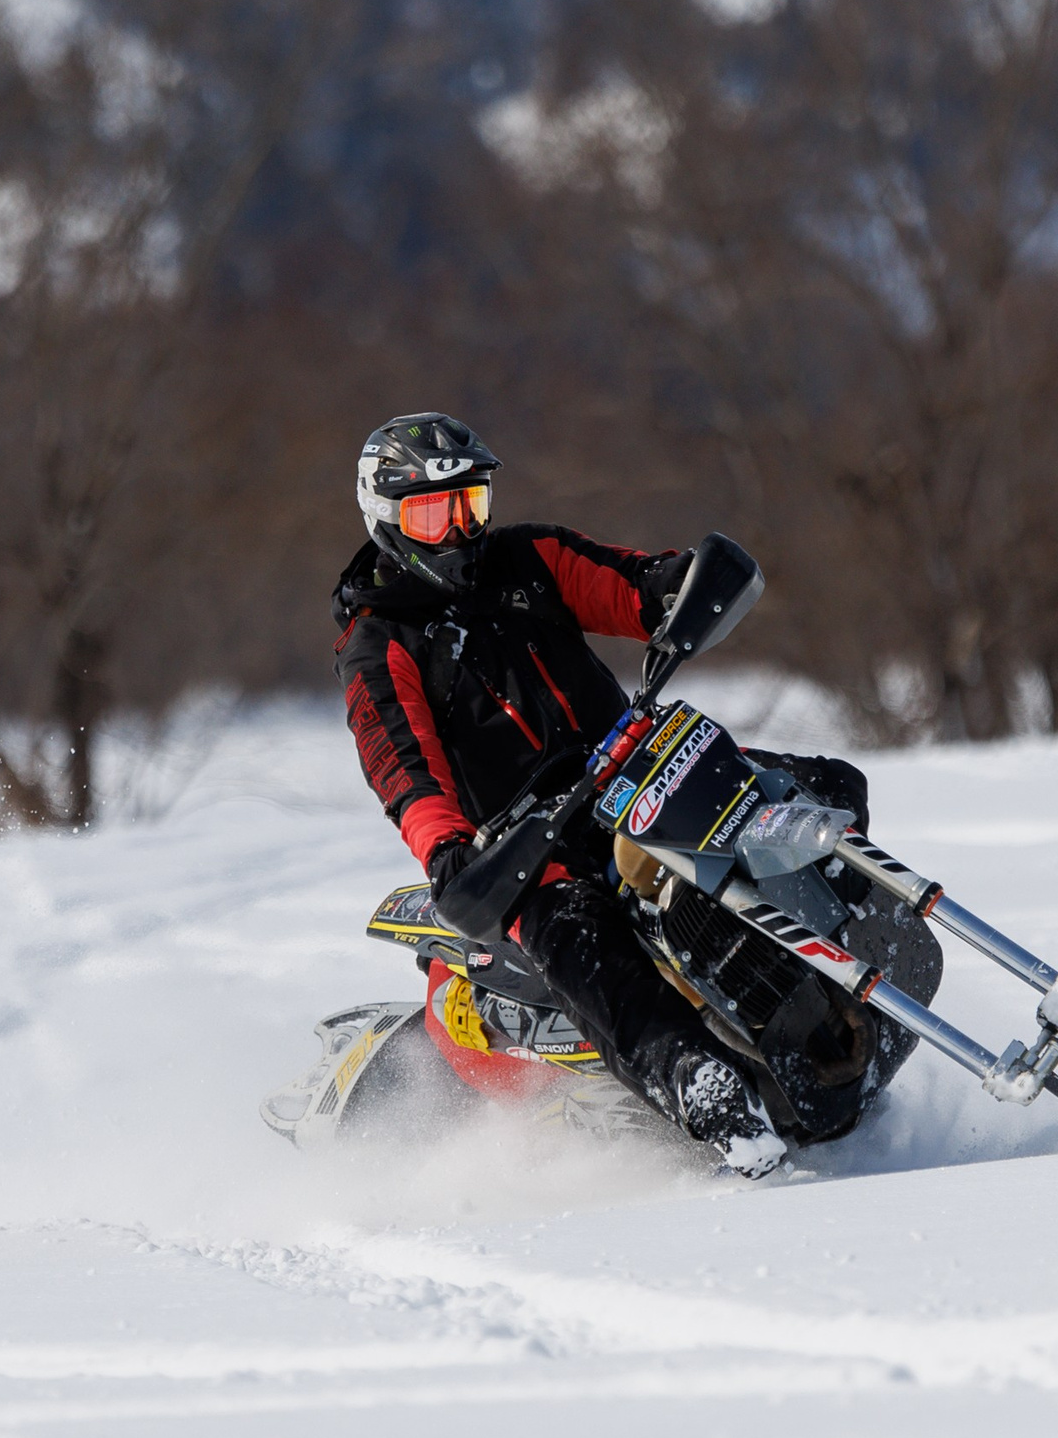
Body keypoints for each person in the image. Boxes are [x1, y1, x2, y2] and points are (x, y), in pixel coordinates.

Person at [332, 412, 868, 1177]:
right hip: (528, 843)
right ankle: (701, 1084)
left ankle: (847, 960)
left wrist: (683, 588)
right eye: (433, 513)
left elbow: (628, 583)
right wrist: (448, 850)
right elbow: (404, 771)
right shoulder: (378, 644)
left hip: (640, 770)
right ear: (388, 521)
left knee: (827, 783)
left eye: (470, 505)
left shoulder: (526, 558)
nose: (458, 532)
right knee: (574, 931)